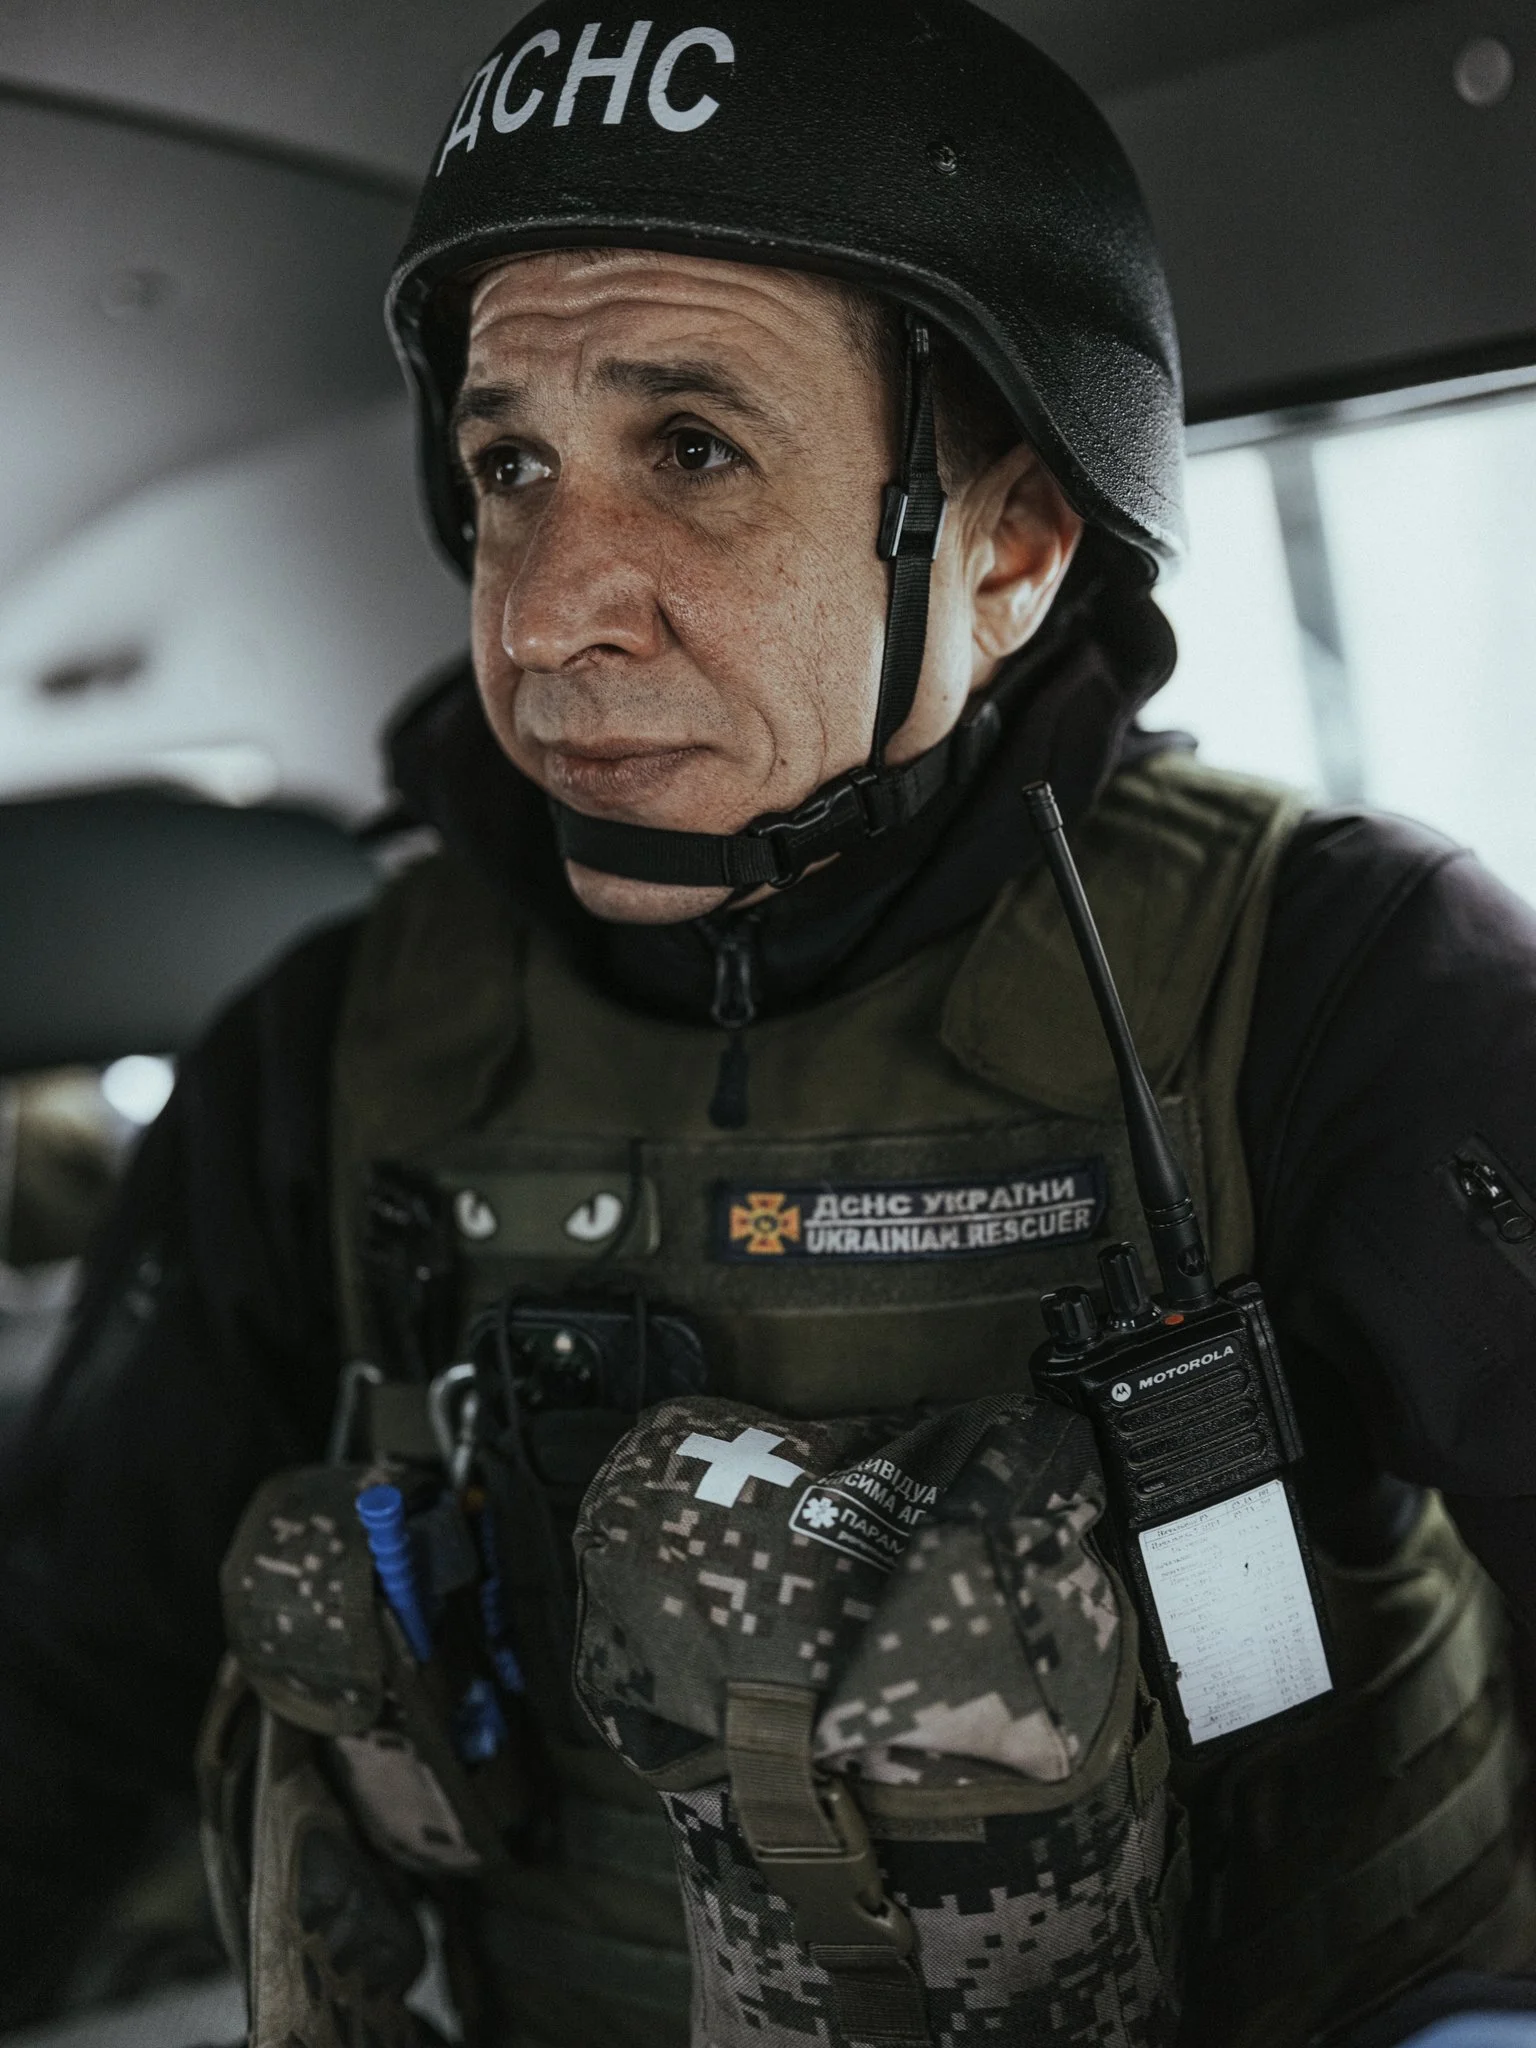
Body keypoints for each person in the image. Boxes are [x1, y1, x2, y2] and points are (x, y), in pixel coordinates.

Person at [5, 2, 1536, 2043]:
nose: (545, 608)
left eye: (694, 450)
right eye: (508, 463)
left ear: (1010, 543)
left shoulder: (1350, 981)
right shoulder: (335, 1047)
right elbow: (61, 1691)